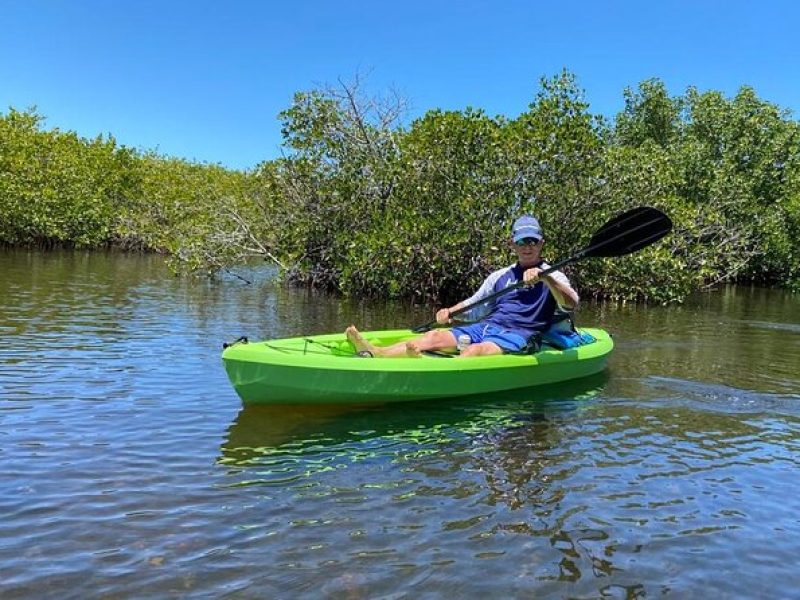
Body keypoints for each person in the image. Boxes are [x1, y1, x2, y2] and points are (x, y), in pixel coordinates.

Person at [345, 214, 579, 358]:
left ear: (541, 244)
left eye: (532, 241)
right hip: (488, 327)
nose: (527, 247)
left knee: (475, 351)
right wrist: (450, 313)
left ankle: (432, 374)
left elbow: (571, 303)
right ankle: (376, 353)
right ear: (512, 244)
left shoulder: (554, 275)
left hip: (521, 335)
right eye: (522, 241)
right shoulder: (500, 276)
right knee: (434, 335)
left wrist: (546, 278)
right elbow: (475, 305)